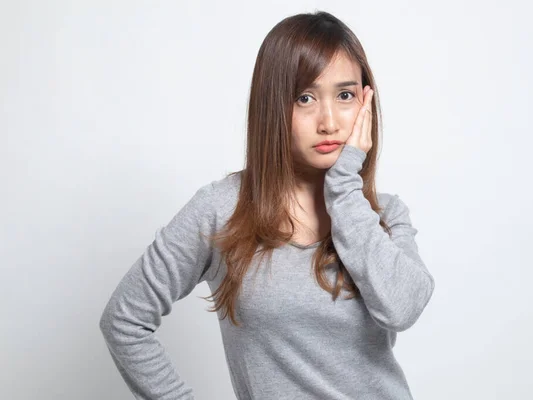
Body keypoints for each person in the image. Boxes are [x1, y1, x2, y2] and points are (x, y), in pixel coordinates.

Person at [99, 10, 435, 400]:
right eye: (304, 98)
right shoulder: (223, 208)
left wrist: (344, 187)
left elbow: (403, 309)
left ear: (365, 102)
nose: (329, 121)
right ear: (273, 106)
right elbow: (124, 320)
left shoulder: (384, 215)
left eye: (345, 95)